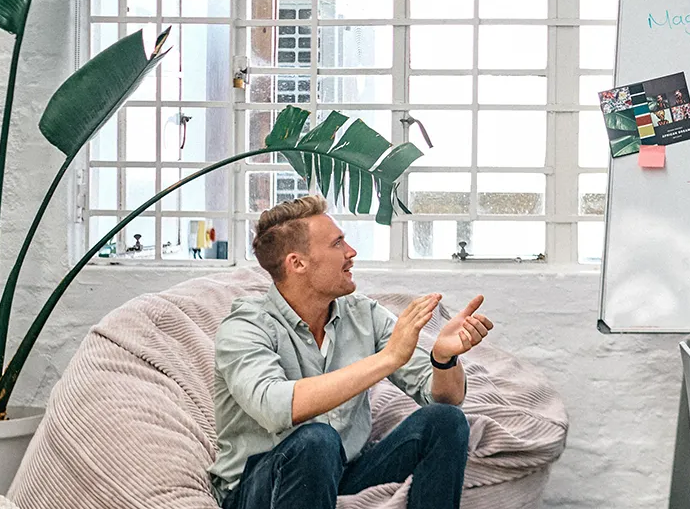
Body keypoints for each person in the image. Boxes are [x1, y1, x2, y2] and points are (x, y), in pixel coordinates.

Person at [209, 195, 497, 509]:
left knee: (445, 420)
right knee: (317, 440)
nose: (351, 252)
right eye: (337, 244)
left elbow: (444, 397)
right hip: (261, 487)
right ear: (297, 263)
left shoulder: (363, 314)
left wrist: (444, 359)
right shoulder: (245, 327)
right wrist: (387, 359)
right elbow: (274, 407)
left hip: (341, 472)